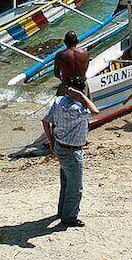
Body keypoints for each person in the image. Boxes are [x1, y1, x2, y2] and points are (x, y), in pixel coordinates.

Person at [41, 85, 100, 228]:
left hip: (60, 146)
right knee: (75, 187)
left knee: (66, 182)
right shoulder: (75, 109)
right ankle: (69, 218)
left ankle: (62, 211)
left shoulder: (58, 102)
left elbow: (45, 120)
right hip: (72, 151)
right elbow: (95, 111)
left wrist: (51, 141)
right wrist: (81, 96)